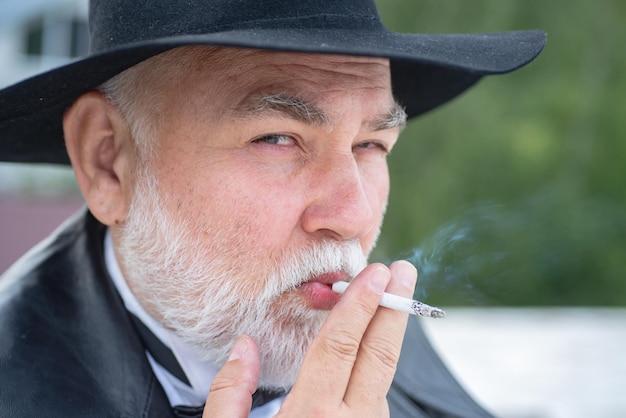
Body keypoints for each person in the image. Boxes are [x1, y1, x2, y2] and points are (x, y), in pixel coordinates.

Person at [0, 0, 545, 416]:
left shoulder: (388, 340)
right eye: (278, 138)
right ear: (109, 161)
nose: (352, 217)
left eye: (371, 145)